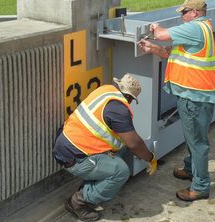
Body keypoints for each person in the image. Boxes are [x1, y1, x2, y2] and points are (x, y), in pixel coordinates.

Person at [137, 0, 215, 202]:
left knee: (198, 142)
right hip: (195, 95)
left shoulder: (195, 28)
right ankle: (191, 169)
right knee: (193, 138)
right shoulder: (202, 28)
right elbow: (171, 53)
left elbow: (163, 34)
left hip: (195, 97)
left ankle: (200, 186)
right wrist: (152, 49)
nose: (181, 16)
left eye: (184, 12)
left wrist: (154, 27)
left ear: (195, 13)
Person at [53, 74, 158, 221]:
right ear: (130, 98)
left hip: (66, 143)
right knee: (121, 172)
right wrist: (150, 158)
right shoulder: (119, 110)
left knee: (118, 149)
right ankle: (78, 203)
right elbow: (134, 144)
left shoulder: (105, 90)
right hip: (75, 157)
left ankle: (88, 189)